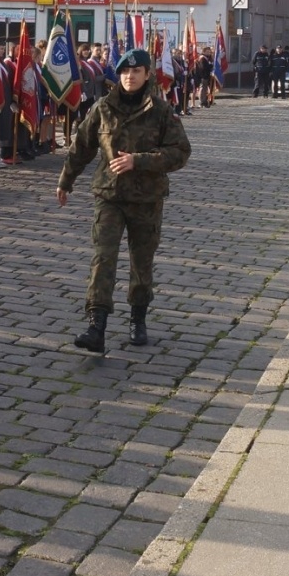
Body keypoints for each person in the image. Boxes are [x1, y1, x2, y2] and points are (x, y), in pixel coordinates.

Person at [56, 48, 191, 353]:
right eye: (125, 72)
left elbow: (180, 152)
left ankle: (138, 317)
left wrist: (139, 161)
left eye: (136, 72)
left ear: (147, 75)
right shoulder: (104, 107)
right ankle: (96, 324)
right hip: (110, 195)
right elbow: (82, 146)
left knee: (141, 263)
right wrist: (66, 179)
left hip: (147, 198)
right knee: (103, 257)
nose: (130, 77)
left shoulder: (161, 111)